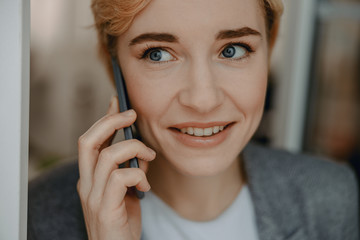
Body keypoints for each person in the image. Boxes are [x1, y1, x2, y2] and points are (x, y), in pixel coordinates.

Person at [27, 0, 359, 239]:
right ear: (113, 67)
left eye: (233, 50)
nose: (203, 100)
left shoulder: (331, 197)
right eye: (157, 53)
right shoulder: (36, 216)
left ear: (268, 52)